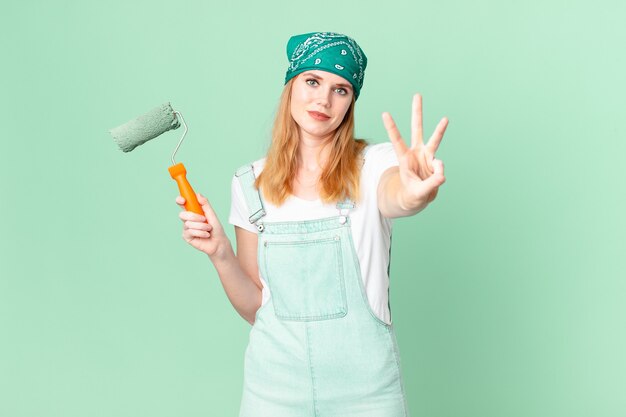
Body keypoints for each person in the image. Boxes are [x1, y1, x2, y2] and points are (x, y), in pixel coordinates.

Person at [175, 31, 448, 417]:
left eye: (341, 89)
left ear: (351, 103)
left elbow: (398, 195)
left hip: (367, 394)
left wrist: (416, 190)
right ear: (291, 86)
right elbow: (256, 306)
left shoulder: (373, 165)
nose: (323, 99)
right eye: (313, 81)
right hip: (272, 393)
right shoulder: (250, 183)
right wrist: (220, 254)